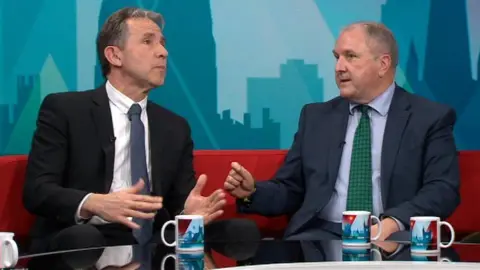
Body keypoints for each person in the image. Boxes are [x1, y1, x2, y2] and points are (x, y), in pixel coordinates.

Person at [23, 7, 259, 256]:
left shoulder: (174, 126)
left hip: (155, 237)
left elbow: (179, 203)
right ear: (114, 56)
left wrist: (188, 212)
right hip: (85, 233)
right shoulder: (66, 110)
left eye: (163, 43)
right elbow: (38, 190)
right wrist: (95, 202)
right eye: (148, 41)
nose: (163, 52)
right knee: (85, 240)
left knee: (241, 232)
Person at [224, 21, 460, 242]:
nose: (339, 67)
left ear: (383, 64)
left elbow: (442, 188)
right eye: (337, 57)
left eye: (351, 56)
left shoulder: (429, 118)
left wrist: (394, 222)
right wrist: (253, 191)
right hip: (319, 236)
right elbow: (291, 188)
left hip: (392, 236)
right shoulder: (315, 117)